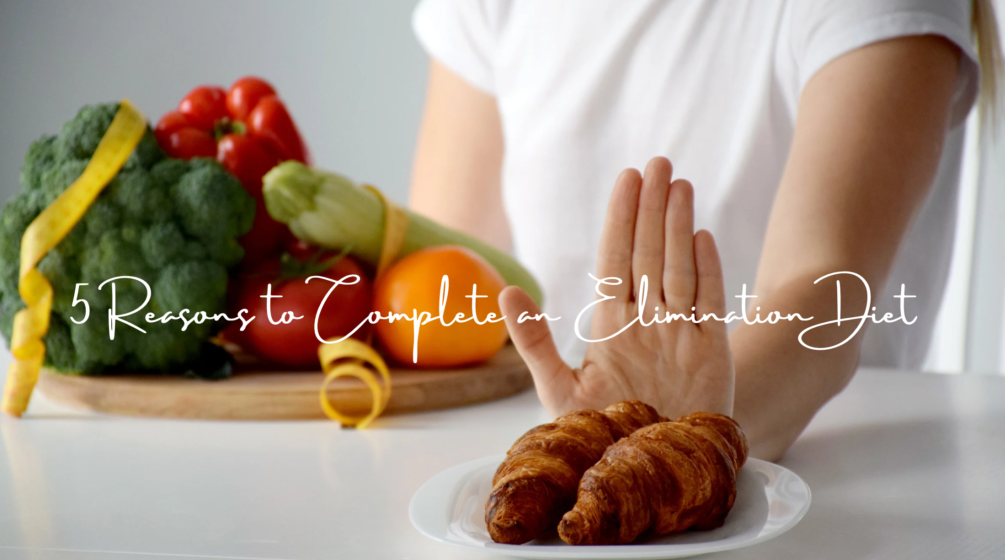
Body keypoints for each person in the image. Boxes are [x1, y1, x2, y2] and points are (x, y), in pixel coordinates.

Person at [407, 0, 1002, 460]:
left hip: (824, 502)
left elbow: (823, 285)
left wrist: (679, 432)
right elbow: (440, 285)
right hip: (573, 473)